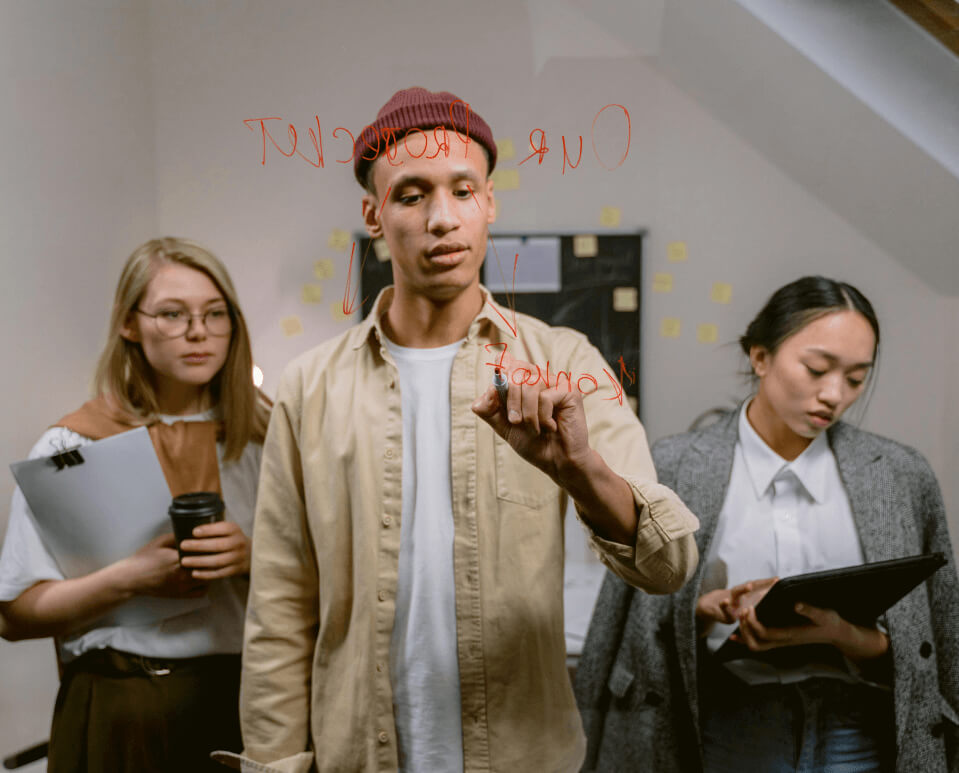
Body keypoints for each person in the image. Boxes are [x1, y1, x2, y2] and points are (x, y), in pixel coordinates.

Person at [231, 87, 700, 773]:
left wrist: (580, 472)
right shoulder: (309, 387)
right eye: (411, 194)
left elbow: (668, 566)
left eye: (462, 190)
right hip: (359, 757)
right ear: (373, 214)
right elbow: (278, 608)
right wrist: (272, 765)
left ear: (489, 204)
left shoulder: (564, 363)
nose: (442, 219)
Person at [574, 275, 959, 773]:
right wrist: (704, 612)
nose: (834, 394)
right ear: (760, 357)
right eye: (816, 369)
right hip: (721, 723)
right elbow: (625, 626)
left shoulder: (900, 475)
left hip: (861, 727)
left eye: (856, 378)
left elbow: (936, 640)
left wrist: (844, 635)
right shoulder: (675, 464)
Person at [0, 237, 270, 772]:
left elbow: (338, 585)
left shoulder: (270, 439)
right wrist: (128, 578)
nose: (198, 332)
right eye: (172, 314)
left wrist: (253, 559)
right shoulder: (72, 447)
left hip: (246, 701)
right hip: (119, 701)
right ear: (129, 323)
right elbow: (15, 614)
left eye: (215, 314)